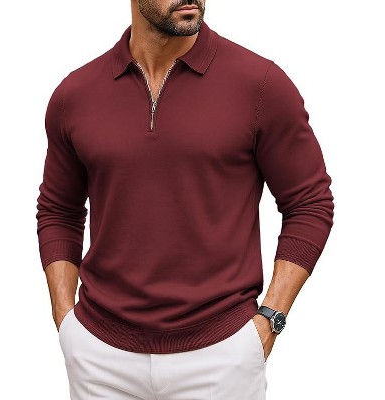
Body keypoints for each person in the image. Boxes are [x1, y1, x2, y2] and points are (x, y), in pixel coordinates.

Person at [35, 1, 334, 399]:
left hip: (221, 355)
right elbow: (59, 210)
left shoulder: (260, 84)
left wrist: (271, 317)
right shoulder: (75, 95)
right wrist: (65, 319)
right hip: (99, 356)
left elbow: (310, 202)